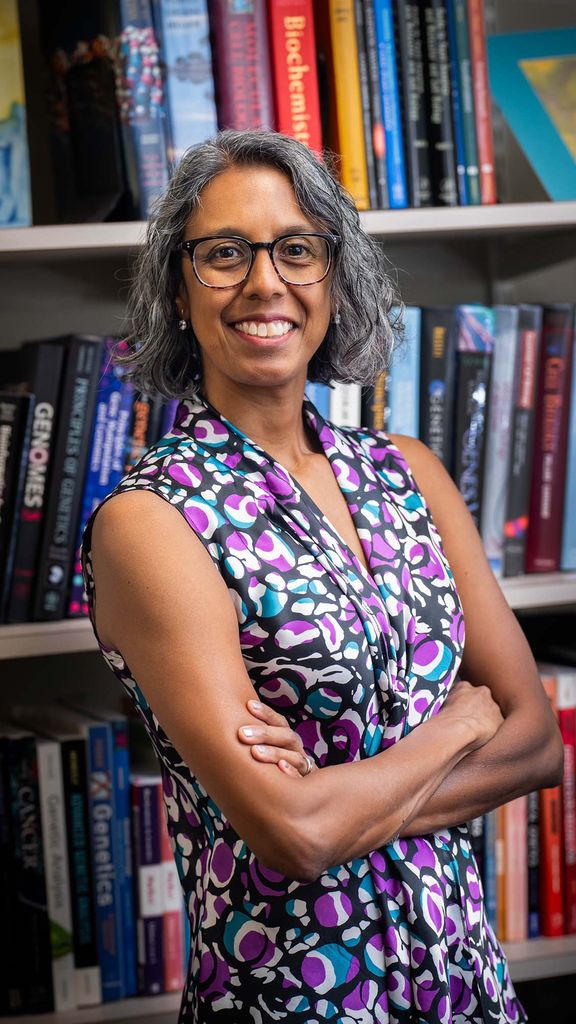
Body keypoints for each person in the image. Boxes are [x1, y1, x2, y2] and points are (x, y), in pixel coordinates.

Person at [82, 129, 563, 1024]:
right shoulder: (151, 523)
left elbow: (537, 744)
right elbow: (294, 837)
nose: (265, 282)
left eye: (297, 250)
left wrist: (341, 803)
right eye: (224, 253)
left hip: (468, 985)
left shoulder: (409, 472)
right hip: (294, 997)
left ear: (334, 281)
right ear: (179, 290)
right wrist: (458, 724)